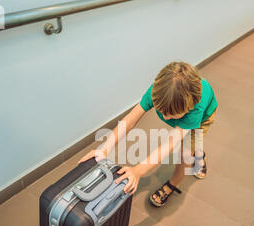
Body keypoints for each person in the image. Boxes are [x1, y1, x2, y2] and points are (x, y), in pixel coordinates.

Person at [79, 61, 218, 207]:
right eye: (161, 111)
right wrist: (105, 148)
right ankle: (199, 152)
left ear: (187, 108)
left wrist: (138, 170)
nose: (165, 117)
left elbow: (169, 144)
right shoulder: (158, 92)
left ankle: (173, 184)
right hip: (184, 115)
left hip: (203, 119)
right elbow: (130, 120)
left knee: (185, 153)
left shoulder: (195, 110)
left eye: (171, 114)